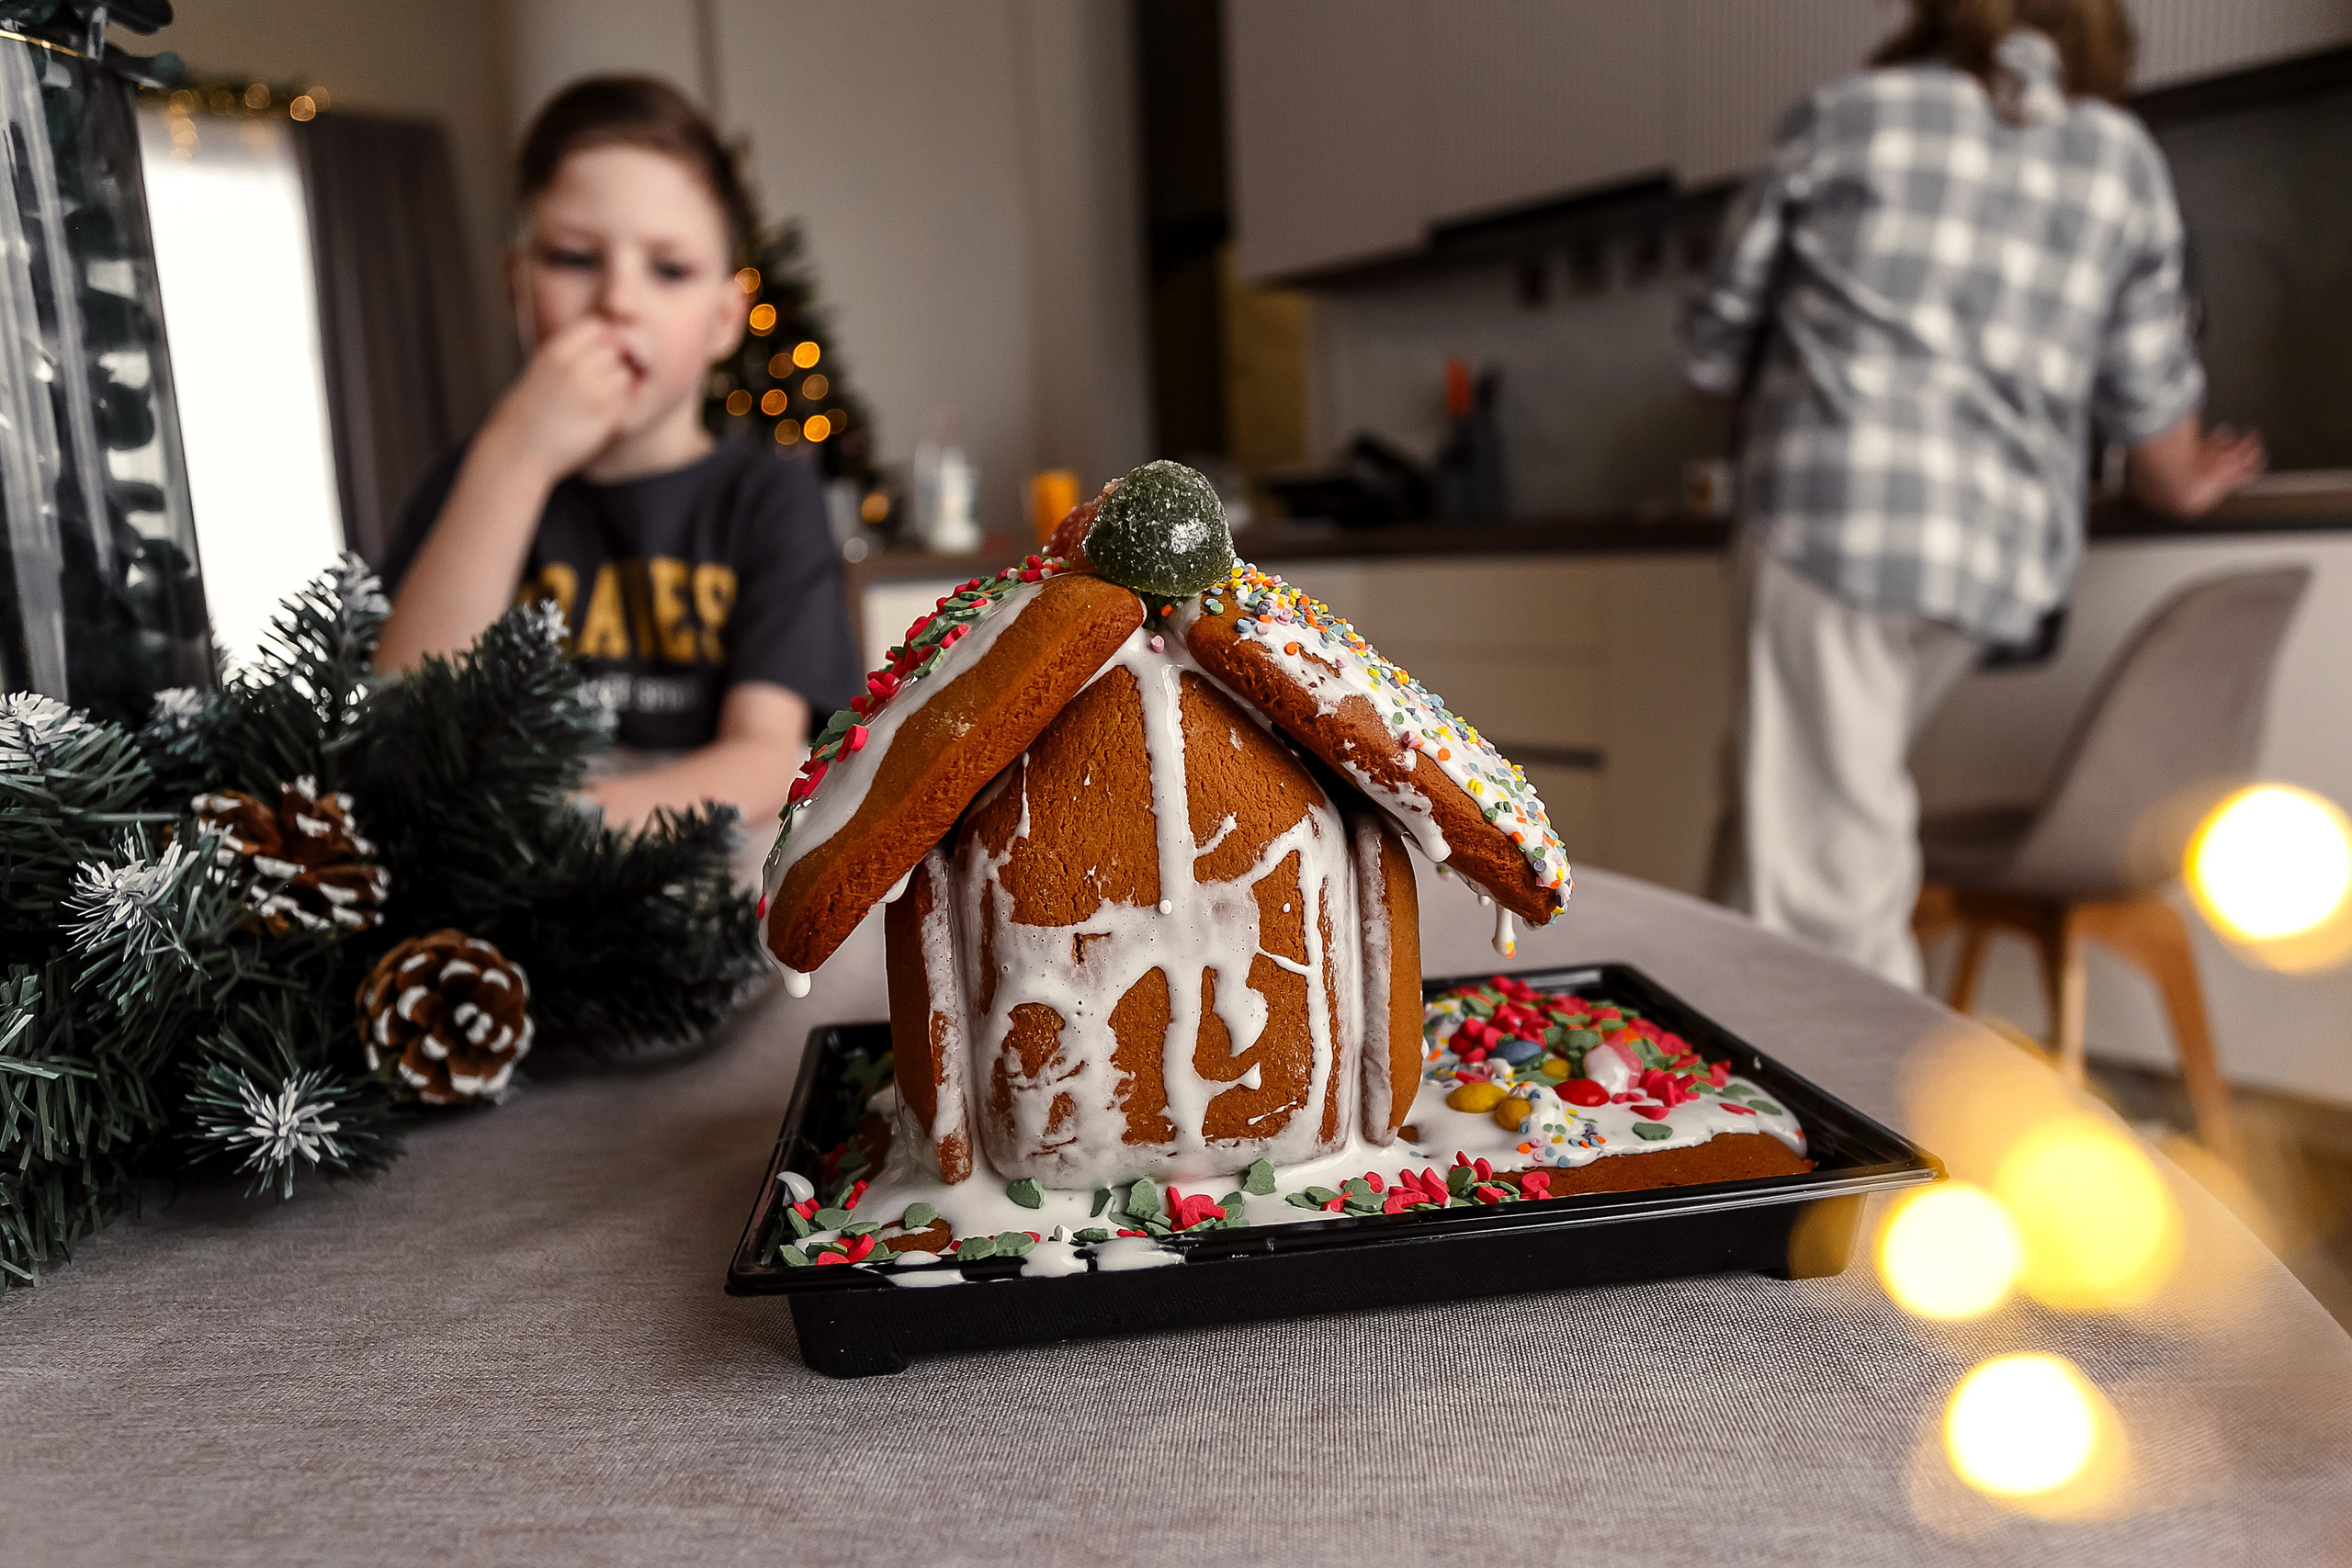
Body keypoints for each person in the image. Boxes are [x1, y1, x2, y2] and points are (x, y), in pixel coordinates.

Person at [1685, 0, 2265, 987]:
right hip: (1992, 556)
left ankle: (1870, 1117)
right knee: (1789, 805)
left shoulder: (1851, 114)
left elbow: (1710, 341)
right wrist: (2188, 476)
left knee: (1824, 850)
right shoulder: (2119, 158)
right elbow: (2158, 435)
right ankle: (1705, 1040)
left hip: (1835, 517)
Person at [377, 76, 860, 832]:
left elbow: (769, 756)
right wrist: (518, 456)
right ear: (516, 285)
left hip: (690, 892)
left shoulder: (768, 497)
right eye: (574, 257)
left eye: (668, 270)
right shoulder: (470, 483)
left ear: (725, 319)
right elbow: (405, 714)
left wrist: (565, 828)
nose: (618, 300)